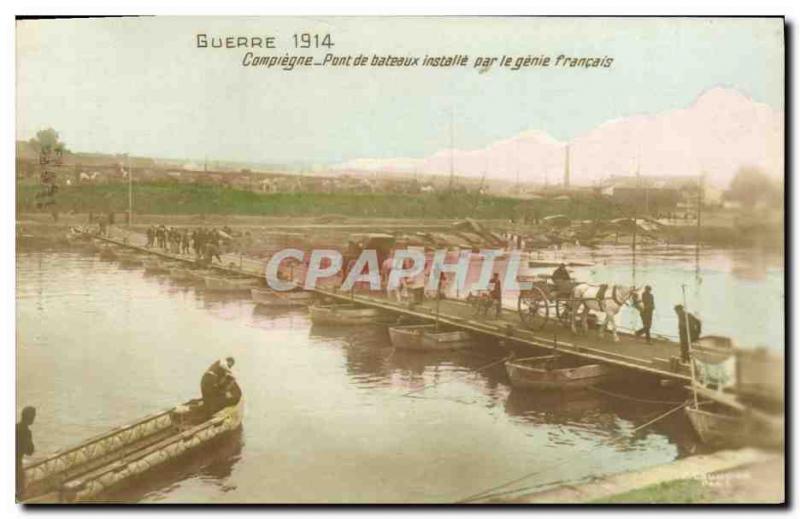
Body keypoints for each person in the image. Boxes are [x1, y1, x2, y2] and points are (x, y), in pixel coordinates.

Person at [16, 406, 36, 500]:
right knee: (19, 493)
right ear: (30, 417)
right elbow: (29, 451)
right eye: (33, 416)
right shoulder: (26, 432)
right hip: (16, 464)